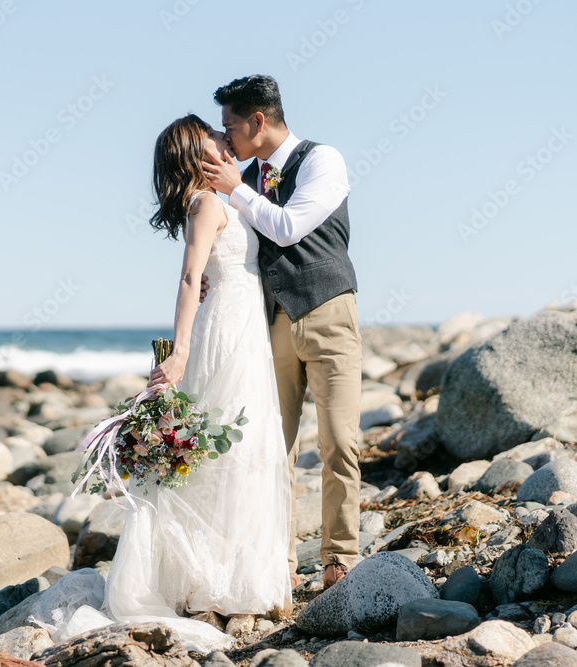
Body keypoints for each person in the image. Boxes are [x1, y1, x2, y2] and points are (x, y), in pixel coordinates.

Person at [101, 114, 293, 653]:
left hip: (245, 330)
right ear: (195, 150)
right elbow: (190, 278)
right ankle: (212, 585)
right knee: (225, 456)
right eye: (214, 136)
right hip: (224, 336)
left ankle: (236, 583)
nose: (223, 139)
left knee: (245, 452)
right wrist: (180, 351)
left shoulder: (224, 197)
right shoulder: (206, 204)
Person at [202, 74, 362, 589]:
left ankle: (340, 556)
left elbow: (289, 227)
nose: (225, 140)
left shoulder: (322, 160)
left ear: (258, 121)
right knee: (275, 448)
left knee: (340, 441)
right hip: (270, 323)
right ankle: (280, 563)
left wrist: (237, 190)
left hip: (328, 313)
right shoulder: (244, 177)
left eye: (230, 128)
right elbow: (231, 238)